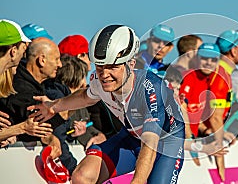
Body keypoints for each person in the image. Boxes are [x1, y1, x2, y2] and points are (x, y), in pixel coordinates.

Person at [29, 24, 185, 184]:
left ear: (130, 64)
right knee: (81, 177)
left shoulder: (151, 90)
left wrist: (137, 181)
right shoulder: (99, 82)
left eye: (113, 67)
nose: (104, 74)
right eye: (99, 66)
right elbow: (84, 96)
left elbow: (150, 142)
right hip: (131, 138)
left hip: (164, 145)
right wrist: (53, 106)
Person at [0, 36, 63, 158]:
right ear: (42, 60)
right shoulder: (20, 86)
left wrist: (50, 137)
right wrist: (68, 106)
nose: (60, 64)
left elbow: (36, 129)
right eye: (56, 59)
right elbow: (35, 126)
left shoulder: (35, 85)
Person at [179, 43, 231, 181]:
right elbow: (182, 111)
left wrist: (208, 131)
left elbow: (201, 113)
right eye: (205, 58)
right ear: (197, 58)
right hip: (182, 138)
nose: (209, 63)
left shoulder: (214, 79)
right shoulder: (188, 77)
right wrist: (190, 140)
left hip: (195, 137)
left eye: (213, 59)